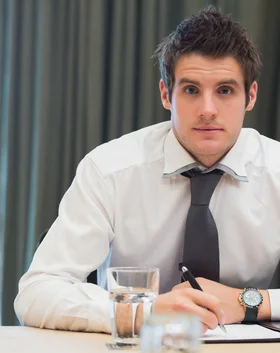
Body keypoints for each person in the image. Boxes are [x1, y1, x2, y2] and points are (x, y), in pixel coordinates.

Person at [15, 6, 280, 333]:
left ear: (250, 96)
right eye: (191, 90)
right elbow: (36, 292)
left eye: (225, 90)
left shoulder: (276, 169)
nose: (208, 110)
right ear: (166, 95)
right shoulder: (109, 169)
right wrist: (144, 311)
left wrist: (246, 301)